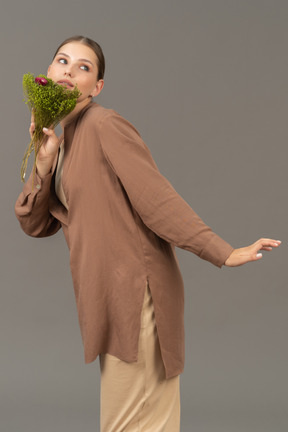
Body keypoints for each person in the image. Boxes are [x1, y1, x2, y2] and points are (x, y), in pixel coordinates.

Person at [15, 35, 281, 432]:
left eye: (84, 67)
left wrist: (222, 252)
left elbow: (156, 199)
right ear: (48, 71)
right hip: (108, 296)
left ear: (97, 86)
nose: (70, 70)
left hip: (136, 295)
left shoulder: (104, 125)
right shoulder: (62, 139)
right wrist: (44, 163)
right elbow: (36, 225)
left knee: (133, 423)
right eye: (62, 60)